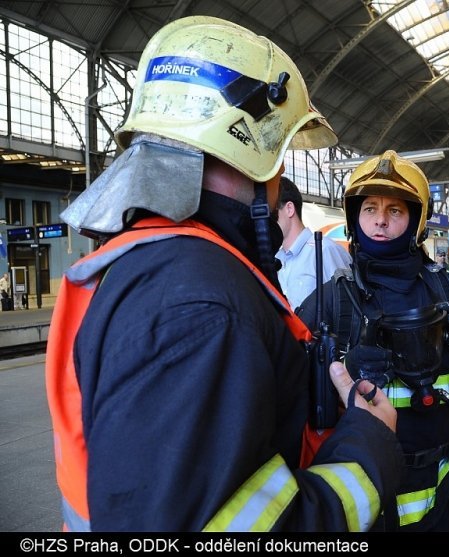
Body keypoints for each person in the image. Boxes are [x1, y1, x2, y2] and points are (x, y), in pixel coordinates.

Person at [45, 16, 402, 532]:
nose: (280, 184)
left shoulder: (152, 266)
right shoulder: (200, 306)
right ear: (250, 151)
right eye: (279, 161)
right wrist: (368, 442)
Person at [296, 150, 449, 531]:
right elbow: (286, 396)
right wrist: (341, 373)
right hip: (364, 494)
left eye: (395, 210)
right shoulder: (330, 301)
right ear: (354, 218)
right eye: (370, 208)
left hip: (441, 490)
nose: (380, 220)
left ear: (415, 221)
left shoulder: (444, 289)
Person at [275, 176, 352, 309]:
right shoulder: (277, 261)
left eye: (270, 212)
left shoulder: (325, 251)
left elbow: (346, 309)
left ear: (289, 209)